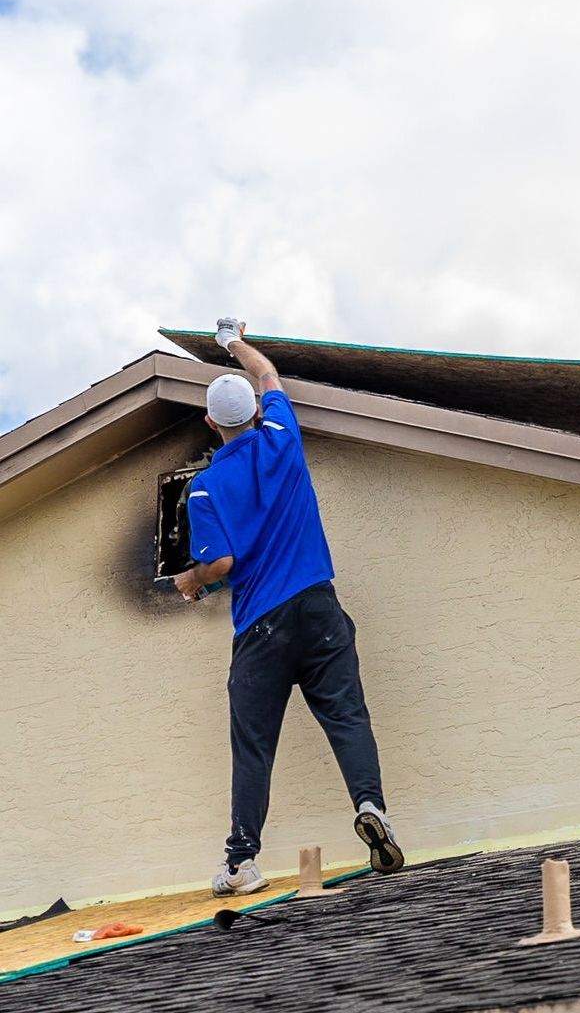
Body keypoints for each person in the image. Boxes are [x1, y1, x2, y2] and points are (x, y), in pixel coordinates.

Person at [173, 318, 404, 896]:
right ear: (255, 410)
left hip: (262, 628)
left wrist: (190, 581)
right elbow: (268, 372)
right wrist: (231, 340)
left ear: (210, 423)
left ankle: (241, 862)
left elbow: (221, 564)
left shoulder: (203, 489)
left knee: (254, 745)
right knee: (347, 717)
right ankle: (371, 805)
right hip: (320, 609)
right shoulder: (281, 435)